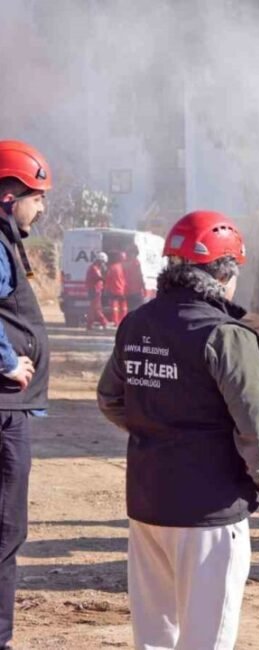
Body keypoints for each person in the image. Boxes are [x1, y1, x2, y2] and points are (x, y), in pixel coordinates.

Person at [96, 211, 259, 649]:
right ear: (223, 274)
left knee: (155, 639)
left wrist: (158, 430)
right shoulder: (225, 335)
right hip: (209, 512)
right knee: (206, 640)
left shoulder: (137, 324)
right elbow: (254, 420)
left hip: (148, 504)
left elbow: (110, 399)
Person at [0, 140, 51, 650]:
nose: (41, 205)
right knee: (5, 529)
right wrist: (9, 362)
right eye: (36, 195)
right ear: (8, 194)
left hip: (9, 407)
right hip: (3, 410)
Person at [85, 252, 111, 330]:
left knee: (92, 309)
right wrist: (107, 275)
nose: (103, 264)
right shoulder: (94, 268)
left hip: (95, 290)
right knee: (96, 308)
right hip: (94, 290)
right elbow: (99, 278)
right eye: (103, 262)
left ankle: (89, 325)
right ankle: (104, 322)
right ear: (100, 261)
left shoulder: (95, 267)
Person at [105, 251, 128, 326]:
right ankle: (124, 321)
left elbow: (108, 279)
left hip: (114, 290)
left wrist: (106, 288)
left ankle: (116, 322)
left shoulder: (113, 267)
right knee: (124, 307)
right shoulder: (127, 268)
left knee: (115, 307)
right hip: (124, 290)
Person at [123, 245, 145, 313]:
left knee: (130, 309)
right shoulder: (136, 262)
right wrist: (143, 286)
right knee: (137, 309)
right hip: (135, 291)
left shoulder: (124, 263)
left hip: (128, 291)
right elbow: (139, 276)